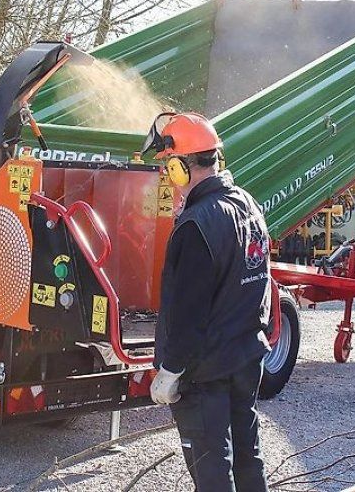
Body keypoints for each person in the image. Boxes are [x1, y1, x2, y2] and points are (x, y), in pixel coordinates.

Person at [142, 112, 271, 492]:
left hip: (206, 371)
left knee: (211, 468)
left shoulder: (196, 224)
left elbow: (187, 312)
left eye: (169, 166)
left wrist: (171, 371)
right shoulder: (247, 205)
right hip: (246, 356)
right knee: (248, 457)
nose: (169, 176)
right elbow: (261, 281)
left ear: (182, 168)